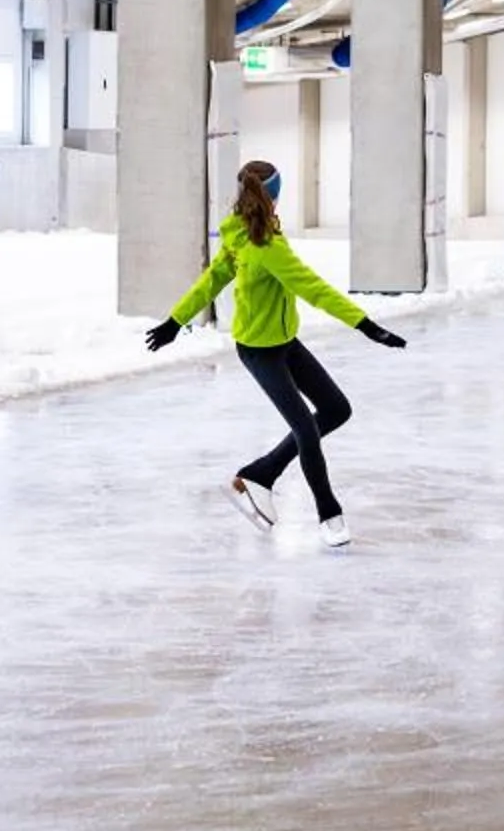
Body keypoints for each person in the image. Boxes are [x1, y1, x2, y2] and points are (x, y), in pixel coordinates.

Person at [145, 159, 406, 548]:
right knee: (305, 429)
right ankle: (329, 514)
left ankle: (259, 475)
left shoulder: (242, 231)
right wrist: (365, 325)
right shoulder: (263, 245)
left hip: (284, 343)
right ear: (275, 197)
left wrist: (174, 321)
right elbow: (312, 288)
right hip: (259, 352)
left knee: (336, 409)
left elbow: (213, 278)